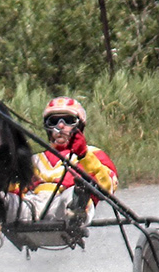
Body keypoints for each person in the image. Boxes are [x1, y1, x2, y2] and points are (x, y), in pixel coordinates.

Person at [20, 96, 118, 224]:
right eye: (54, 121)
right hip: (32, 208)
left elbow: (108, 188)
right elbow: (16, 189)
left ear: (80, 126)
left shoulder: (94, 154)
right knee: (1, 196)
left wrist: (83, 155)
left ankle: (76, 215)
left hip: (65, 207)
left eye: (68, 120)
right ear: (47, 127)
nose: (60, 126)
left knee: (76, 192)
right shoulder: (35, 160)